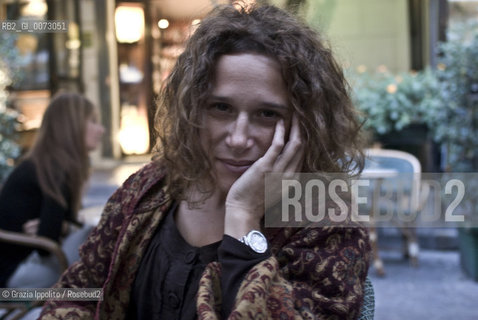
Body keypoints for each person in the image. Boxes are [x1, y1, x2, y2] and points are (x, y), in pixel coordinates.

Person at [40, 4, 370, 319]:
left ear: (305, 124)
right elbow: (75, 294)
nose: (239, 138)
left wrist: (243, 219)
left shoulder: (326, 221)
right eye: (221, 108)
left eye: (267, 114)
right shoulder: (148, 189)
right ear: (193, 109)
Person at [0, 92, 105, 288]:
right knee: (97, 235)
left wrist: (63, 226)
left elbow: (57, 227)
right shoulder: (55, 170)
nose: (101, 129)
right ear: (72, 127)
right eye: (93, 121)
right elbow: (46, 245)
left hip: (17, 270)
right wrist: (61, 227)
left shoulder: (47, 163)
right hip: (14, 279)